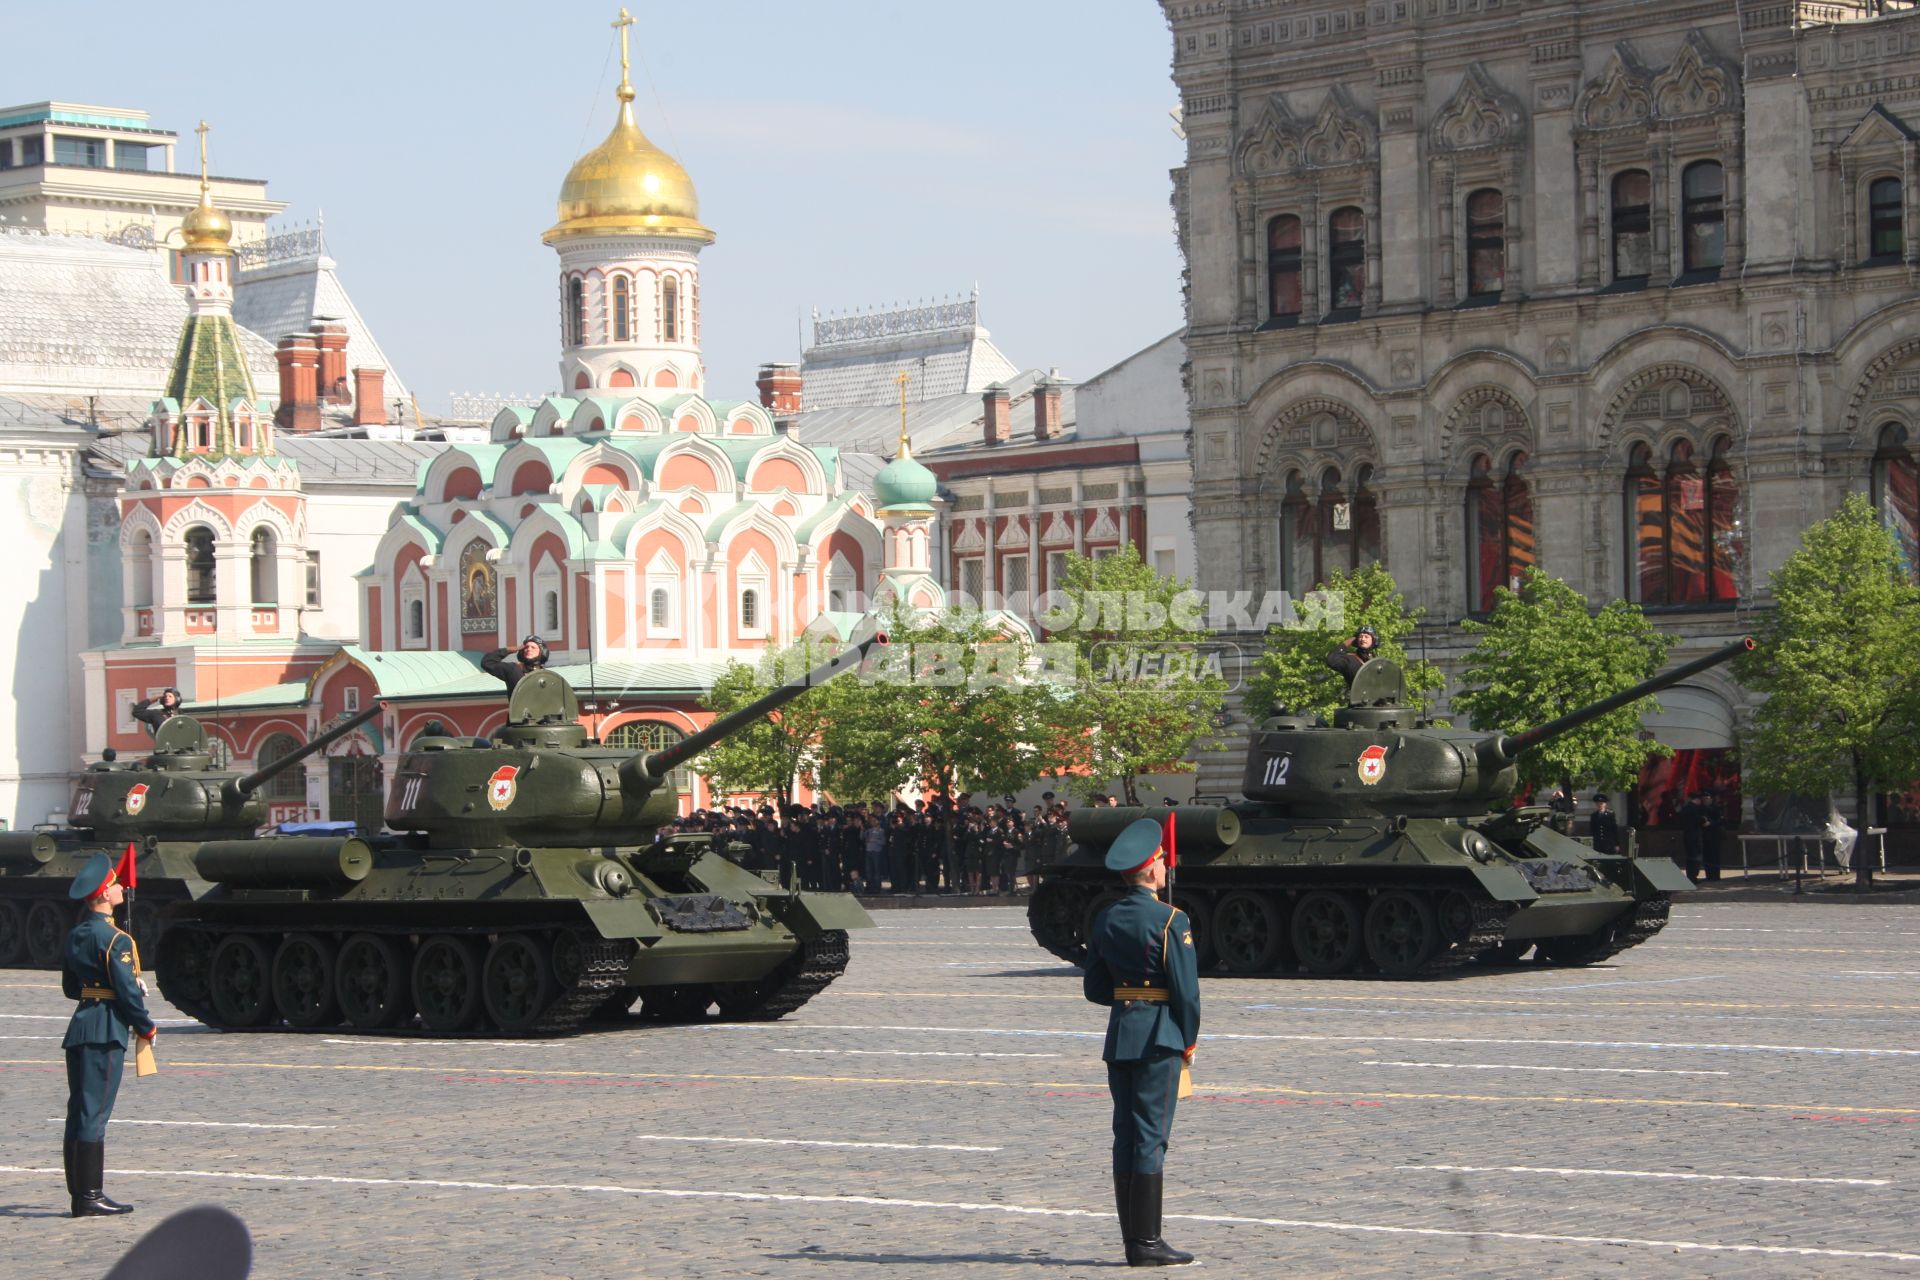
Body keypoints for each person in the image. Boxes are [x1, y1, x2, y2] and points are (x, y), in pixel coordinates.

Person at [1082, 818, 1200, 1268]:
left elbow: (1094, 989)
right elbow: (1186, 993)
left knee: (1126, 1137)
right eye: (1163, 862)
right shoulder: (1172, 919)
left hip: (1121, 1037)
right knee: (1151, 1137)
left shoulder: (1108, 917)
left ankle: (1135, 1240)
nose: (1167, 868)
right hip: (1160, 1037)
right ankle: (1147, 1244)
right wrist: (1187, 1041)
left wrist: (1128, 994)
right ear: (1151, 870)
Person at [61, 852, 156, 1218]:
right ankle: (90, 1196)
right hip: (106, 1030)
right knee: (94, 1114)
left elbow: (71, 987)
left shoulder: (77, 935)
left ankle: (80, 1194)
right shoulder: (115, 939)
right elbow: (128, 994)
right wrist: (145, 1023)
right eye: (115, 885)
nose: (120, 888)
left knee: (79, 1113)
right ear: (103, 895)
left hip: (81, 1025)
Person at [481, 635, 549, 693]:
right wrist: (510, 649)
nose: (529, 649)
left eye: (533, 647)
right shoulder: (513, 669)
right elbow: (487, 662)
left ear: (542, 652)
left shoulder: (546, 675)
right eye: (526, 647)